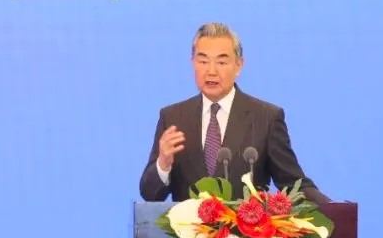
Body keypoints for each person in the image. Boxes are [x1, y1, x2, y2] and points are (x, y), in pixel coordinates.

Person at [139, 22, 328, 204]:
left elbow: (294, 184)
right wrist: (163, 164)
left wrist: (335, 211)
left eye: (221, 62)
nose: (211, 71)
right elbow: (150, 194)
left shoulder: (266, 118)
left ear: (239, 65)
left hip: (246, 227)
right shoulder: (173, 117)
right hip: (188, 228)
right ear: (193, 62)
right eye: (203, 61)